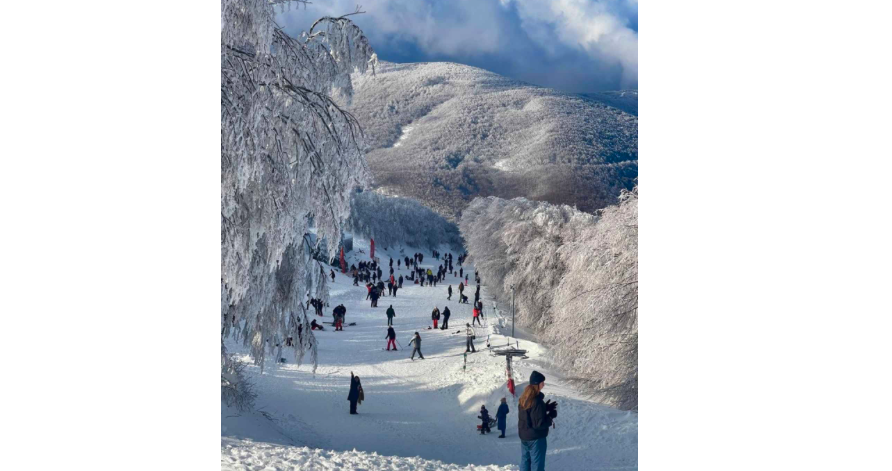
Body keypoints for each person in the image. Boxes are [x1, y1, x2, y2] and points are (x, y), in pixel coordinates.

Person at [518, 371, 556, 471]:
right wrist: (550, 416)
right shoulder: (537, 401)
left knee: (525, 461)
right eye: (542, 382)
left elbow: (530, 413)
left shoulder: (525, 398)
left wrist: (545, 407)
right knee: (537, 464)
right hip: (536, 438)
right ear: (537, 384)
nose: (543, 384)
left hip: (525, 436)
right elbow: (539, 424)